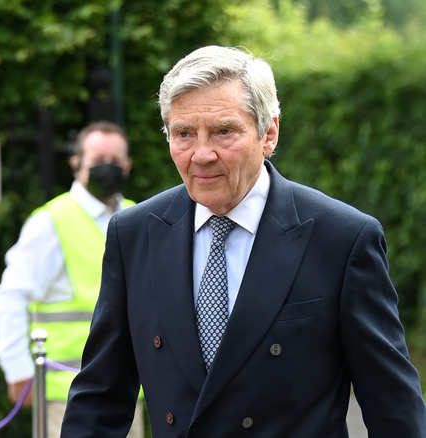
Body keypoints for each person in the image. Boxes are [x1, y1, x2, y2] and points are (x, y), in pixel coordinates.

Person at [60, 45, 426, 437]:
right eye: (184, 134)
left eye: (223, 131)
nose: (202, 154)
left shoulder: (343, 238)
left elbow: (393, 407)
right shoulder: (134, 234)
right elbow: (100, 396)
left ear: (269, 134)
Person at [0, 121, 143, 438]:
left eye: (116, 161)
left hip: (129, 394)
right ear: (76, 163)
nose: (107, 168)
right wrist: (18, 371)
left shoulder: (138, 217)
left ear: (128, 166)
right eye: (99, 158)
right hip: (67, 397)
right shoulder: (50, 222)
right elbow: (9, 297)